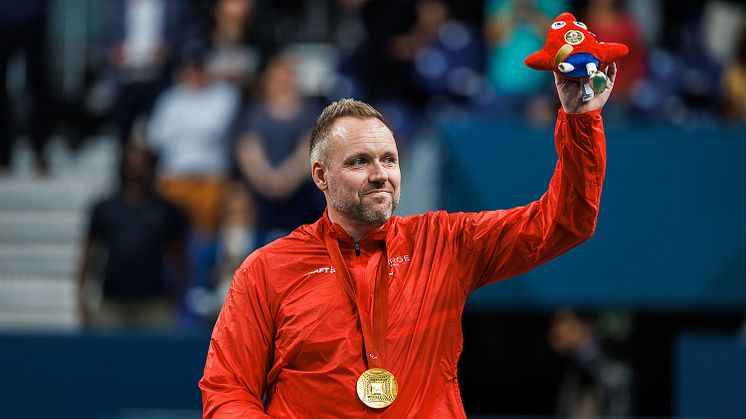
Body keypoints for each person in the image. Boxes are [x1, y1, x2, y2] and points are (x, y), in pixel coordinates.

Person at [199, 61, 618, 416]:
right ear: (321, 175)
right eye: (359, 161)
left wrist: (581, 120)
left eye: (389, 160)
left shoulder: (446, 243)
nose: (380, 173)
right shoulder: (267, 270)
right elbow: (226, 390)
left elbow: (566, 221)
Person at [77, 143, 188, 330]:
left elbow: (180, 259)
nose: (137, 166)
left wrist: (176, 299)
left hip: (154, 305)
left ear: (151, 165)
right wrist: (82, 300)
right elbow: (88, 255)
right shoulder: (105, 208)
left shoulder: (166, 211)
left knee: (155, 358)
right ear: (122, 165)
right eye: (132, 160)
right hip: (112, 304)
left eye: (142, 161)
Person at [549, 309, 635, 417]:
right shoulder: (572, 363)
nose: (554, 330)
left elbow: (621, 408)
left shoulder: (612, 363)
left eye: (560, 320)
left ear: (580, 325)